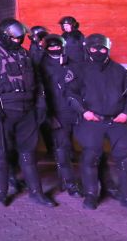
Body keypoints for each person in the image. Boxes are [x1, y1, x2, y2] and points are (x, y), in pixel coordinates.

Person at [0, 18, 55, 207]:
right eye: (15, 38)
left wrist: (41, 103)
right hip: (2, 111)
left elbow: (38, 80)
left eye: (20, 39)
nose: (19, 41)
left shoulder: (23, 54)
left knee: (28, 153)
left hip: (27, 110)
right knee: (0, 153)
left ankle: (37, 192)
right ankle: (1, 194)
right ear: (3, 35)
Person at [67, 34, 127, 210]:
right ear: (87, 48)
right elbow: (70, 94)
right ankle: (91, 195)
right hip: (92, 120)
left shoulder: (120, 71)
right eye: (94, 48)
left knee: (126, 160)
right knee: (90, 157)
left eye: (102, 48)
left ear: (108, 49)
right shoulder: (78, 70)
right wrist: (84, 112)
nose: (98, 51)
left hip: (117, 120)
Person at [38, 34, 82, 197]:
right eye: (52, 47)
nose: (55, 49)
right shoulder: (41, 66)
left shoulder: (72, 63)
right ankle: (70, 183)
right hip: (57, 113)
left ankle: (71, 181)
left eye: (58, 47)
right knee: (62, 150)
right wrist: (49, 115)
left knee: (85, 149)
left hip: (76, 112)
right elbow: (42, 94)